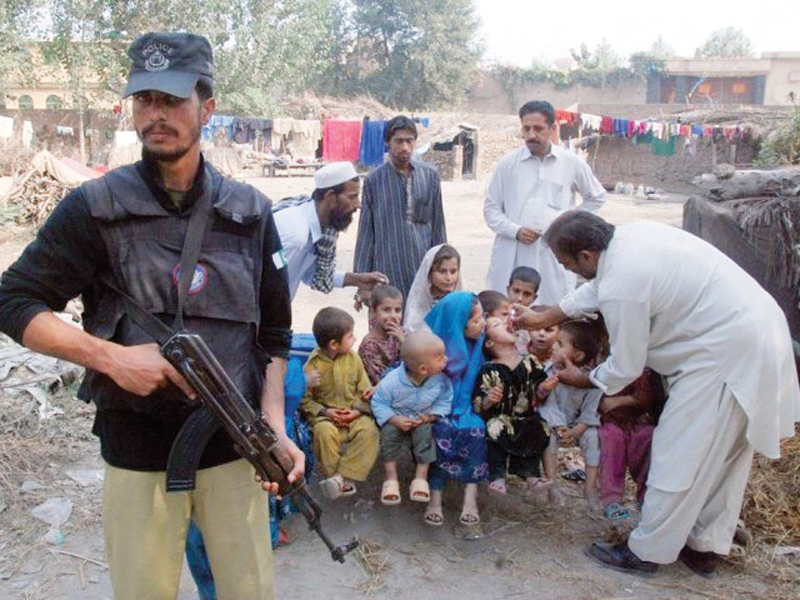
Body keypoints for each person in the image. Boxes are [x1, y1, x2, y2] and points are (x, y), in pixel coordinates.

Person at [0, 32, 302, 599]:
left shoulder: (250, 212)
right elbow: (12, 300)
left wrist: (275, 425)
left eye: (171, 100)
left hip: (234, 449)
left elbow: (276, 334)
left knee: (250, 591)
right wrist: (110, 357)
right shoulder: (94, 207)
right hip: (137, 450)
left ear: (207, 108)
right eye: (144, 101)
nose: (155, 115)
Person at [514, 210, 800, 577]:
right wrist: (543, 317)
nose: (567, 269)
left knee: (676, 452)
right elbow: (597, 288)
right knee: (721, 457)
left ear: (586, 255)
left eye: (566, 262)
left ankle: (646, 551)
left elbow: (626, 365)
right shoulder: (629, 239)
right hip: (755, 335)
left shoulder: (622, 280)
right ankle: (704, 547)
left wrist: (582, 378)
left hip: (724, 355)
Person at [484, 100, 606, 305]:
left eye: (538, 128)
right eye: (526, 128)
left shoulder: (571, 162)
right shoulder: (507, 164)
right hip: (513, 251)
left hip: (553, 254)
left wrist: (568, 224)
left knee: (550, 314)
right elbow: (491, 209)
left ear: (552, 128)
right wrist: (515, 230)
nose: (531, 135)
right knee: (507, 313)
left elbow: (597, 196)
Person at [354, 115, 447, 300]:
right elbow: (366, 232)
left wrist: (443, 270)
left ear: (415, 142)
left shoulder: (430, 176)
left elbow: (438, 226)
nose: (404, 147)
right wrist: (362, 283)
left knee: (424, 325)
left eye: (409, 141)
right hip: (387, 271)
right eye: (398, 141)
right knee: (388, 323)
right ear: (388, 143)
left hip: (423, 268)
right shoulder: (374, 180)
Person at [273, 161, 387, 305]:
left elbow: (309, 273)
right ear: (330, 196)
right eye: (352, 197)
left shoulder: (318, 228)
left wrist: (357, 280)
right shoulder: (297, 237)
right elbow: (271, 276)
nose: (358, 204)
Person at [422, 292, 488, 527]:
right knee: (441, 431)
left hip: (469, 408)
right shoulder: (432, 352)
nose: (483, 324)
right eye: (476, 320)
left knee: (476, 429)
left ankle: (470, 496)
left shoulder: (480, 345)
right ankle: (435, 497)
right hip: (436, 410)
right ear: (458, 324)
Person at [300, 307, 379, 499]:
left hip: (353, 414)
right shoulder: (312, 366)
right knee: (323, 434)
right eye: (350, 336)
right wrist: (325, 413)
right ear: (334, 344)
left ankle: (341, 477)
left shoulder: (354, 359)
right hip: (326, 418)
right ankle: (335, 476)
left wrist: (358, 412)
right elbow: (305, 400)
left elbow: (365, 391)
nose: (354, 339)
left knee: (370, 431)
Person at [371, 331, 453, 505]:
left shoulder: (440, 381)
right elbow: (378, 402)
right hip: (396, 417)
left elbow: (445, 399)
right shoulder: (392, 382)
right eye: (440, 357)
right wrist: (393, 419)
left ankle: (420, 478)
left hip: (422, 417)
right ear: (423, 369)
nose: (446, 359)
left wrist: (429, 417)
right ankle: (391, 478)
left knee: (425, 436)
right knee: (388, 436)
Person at [473, 316, 550, 495]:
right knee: (494, 430)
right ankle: (497, 477)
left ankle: (532, 476)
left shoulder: (530, 362)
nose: (506, 323)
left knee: (536, 429)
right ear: (489, 343)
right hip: (501, 417)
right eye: (497, 324)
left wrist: (544, 388)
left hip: (527, 416)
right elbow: (479, 401)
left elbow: (538, 392)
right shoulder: (489, 369)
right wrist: (489, 400)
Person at [537, 320, 604, 510]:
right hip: (554, 424)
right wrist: (560, 427)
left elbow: (591, 414)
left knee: (593, 437)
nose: (553, 346)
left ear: (578, 355)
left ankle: (590, 488)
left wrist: (574, 432)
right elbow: (546, 405)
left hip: (579, 426)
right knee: (548, 438)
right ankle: (552, 486)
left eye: (560, 344)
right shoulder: (549, 372)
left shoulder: (593, 380)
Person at [599, 368, 665, 521]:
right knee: (610, 438)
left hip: (638, 420)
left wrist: (622, 401)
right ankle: (611, 500)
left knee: (649, 438)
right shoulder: (602, 361)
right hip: (608, 421)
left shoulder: (646, 368)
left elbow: (647, 396)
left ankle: (645, 498)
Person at [403, 243, 463, 332]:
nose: (449, 278)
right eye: (442, 271)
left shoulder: (463, 302)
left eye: (453, 272)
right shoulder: (418, 307)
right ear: (429, 273)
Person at [359, 285, 405, 386]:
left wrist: (404, 343)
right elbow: (381, 380)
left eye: (397, 310)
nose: (393, 316)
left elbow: (417, 362)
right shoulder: (370, 345)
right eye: (386, 310)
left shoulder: (400, 333)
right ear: (373, 311)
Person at [506, 266, 541, 356]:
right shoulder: (497, 317)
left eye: (527, 294)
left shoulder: (536, 321)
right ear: (508, 290)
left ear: (534, 298)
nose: (519, 298)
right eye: (516, 291)